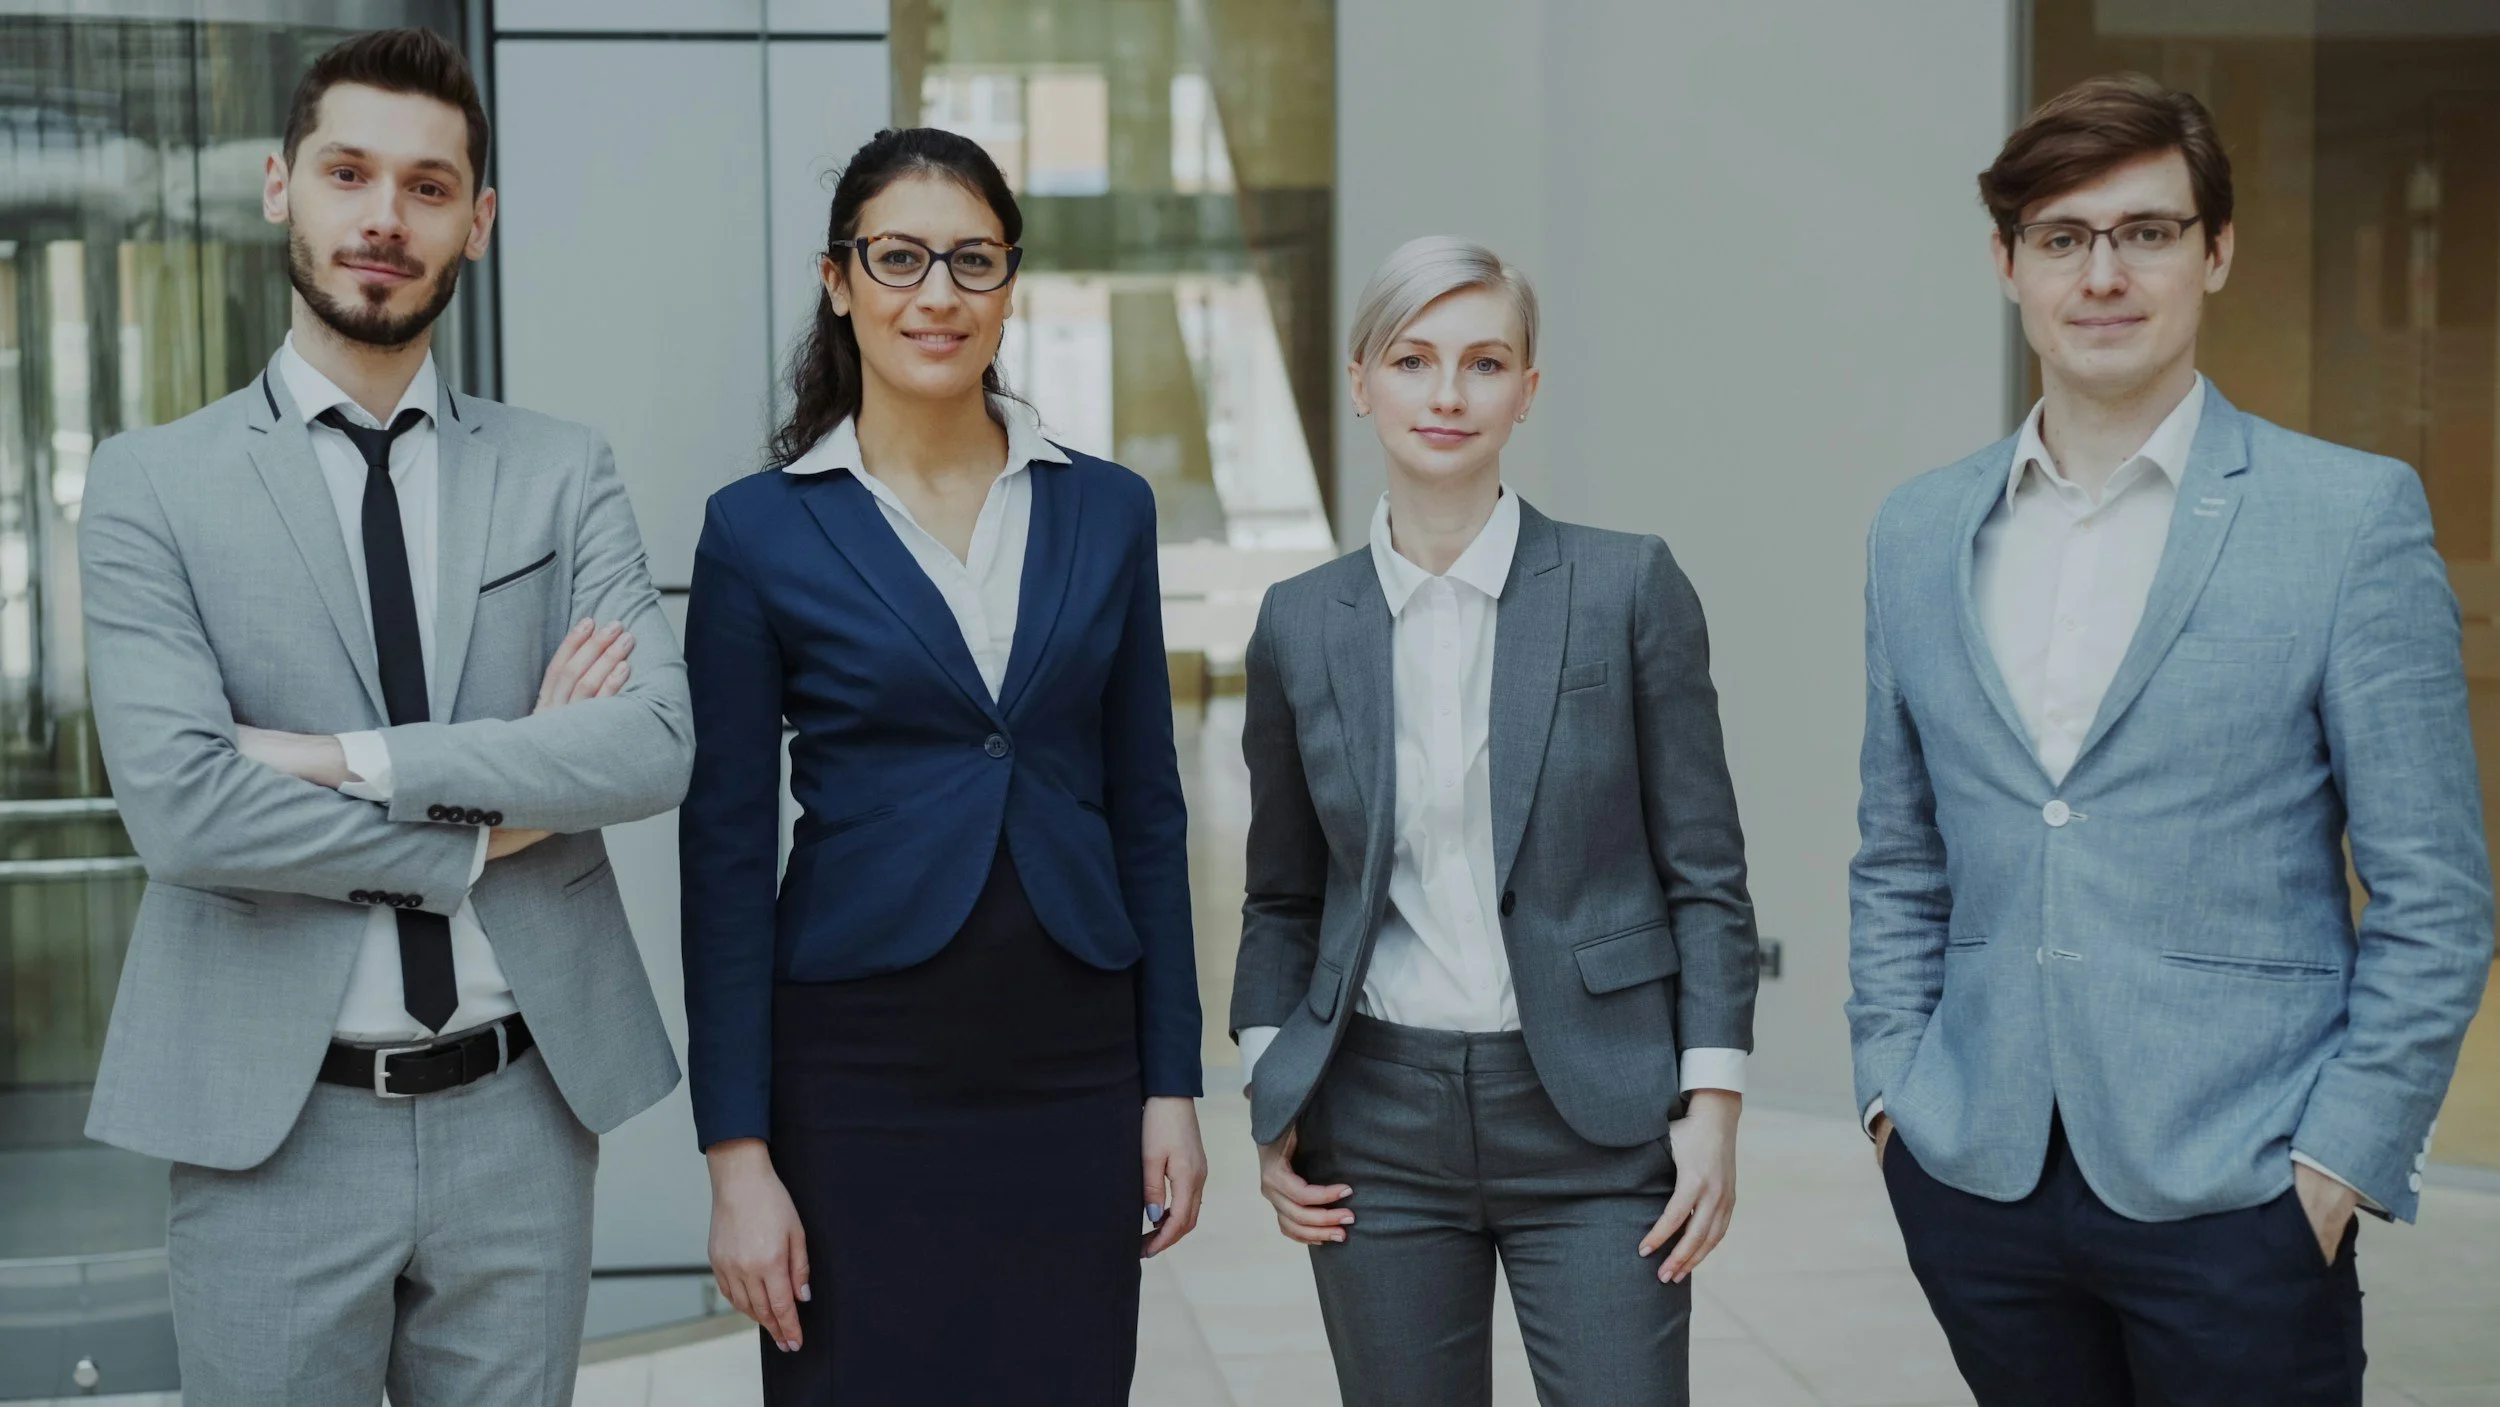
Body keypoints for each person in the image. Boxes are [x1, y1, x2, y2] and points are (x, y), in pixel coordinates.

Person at [1848, 73, 2494, 1404]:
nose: (2105, 273)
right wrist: (1892, 1096)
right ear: (2008, 264)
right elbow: (1898, 853)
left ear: (2215, 252)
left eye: (2145, 231)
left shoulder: (2348, 518)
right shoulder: (1918, 531)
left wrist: (2334, 1168)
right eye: (2064, 236)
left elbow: (2437, 894)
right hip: (1980, 1183)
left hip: (2243, 1192)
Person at [76, 28, 691, 1407]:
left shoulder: (561, 470)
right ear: (281, 184)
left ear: (477, 222)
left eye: (427, 186)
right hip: (273, 1126)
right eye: (350, 171)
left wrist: (345, 759)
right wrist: (490, 826)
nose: (383, 216)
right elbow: (183, 806)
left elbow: (651, 742)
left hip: (523, 1116)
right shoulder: (150, 484)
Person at [680, 126, 1207, 1405]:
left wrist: (1171, 1086)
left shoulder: (1107, 508)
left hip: (1073, 1067)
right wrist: (737, 1160)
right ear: (838, 278)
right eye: (900, 258)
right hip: (858, 1076)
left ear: (1011, 284)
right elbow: (727, 859)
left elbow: (1147, 808)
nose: (937, 295)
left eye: (972, 261)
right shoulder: (757, 532)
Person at [1231, 237, 1759, 1407]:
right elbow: (1280, 895)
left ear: (1527, 390)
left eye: (1484, 362)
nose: (1448, 393)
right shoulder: (1299, 624)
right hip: (1374, 1125)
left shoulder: (1627, 588)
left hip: (1597, 1116)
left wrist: (1710, 1108)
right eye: (1413, 360)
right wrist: (1275, 1091)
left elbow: (1706, 877)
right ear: (1361, 379)